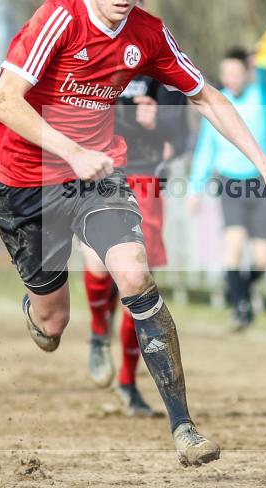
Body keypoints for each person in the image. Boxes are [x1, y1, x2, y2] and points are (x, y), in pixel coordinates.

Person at [0, 0, 266, 466]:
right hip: (24, 182)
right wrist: (70, 151)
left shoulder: (149, 34)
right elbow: (5, 101)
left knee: (133, 272)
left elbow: (210, 98)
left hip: (99, 175)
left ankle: (184, 427)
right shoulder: (59, 17)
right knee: (53, 323)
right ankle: (41, 309)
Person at [82, 72, 189, 417]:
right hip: (100, 175)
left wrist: (160, 123)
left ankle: (127, 383)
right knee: (97, 266)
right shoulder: (92, 62)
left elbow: (180, 139)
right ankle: (99, 332)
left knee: (140, 283)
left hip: (145, 180)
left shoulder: (164, 74)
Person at [187, 47, 266, 331]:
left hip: (261, 182)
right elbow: (205, 149)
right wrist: (195, 188)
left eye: (237, 73)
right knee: (234, 248)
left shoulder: (261, 95)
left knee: (263, 258)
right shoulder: (217, 106)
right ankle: (239, 307)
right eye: (226, 73)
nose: (231, 78)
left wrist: (261, 59)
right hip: (229, 183)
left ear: (246, 73)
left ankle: (240, 290)